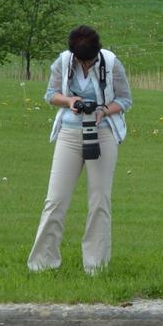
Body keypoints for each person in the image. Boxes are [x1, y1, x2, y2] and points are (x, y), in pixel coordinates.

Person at [28, 25, 132, 275]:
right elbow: (51, 95)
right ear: (73, 55)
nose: (87, 66)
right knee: (55, 200)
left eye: (90, 61)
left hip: (103, 133)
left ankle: (96, 267)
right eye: (82, 62)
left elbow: (125, 100)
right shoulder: (63, 62)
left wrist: (103, 110)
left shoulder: (111, 62)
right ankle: (42, 264)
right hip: (69, 133)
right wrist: (69, 101)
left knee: (99, 200)